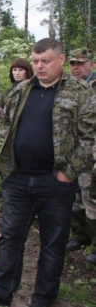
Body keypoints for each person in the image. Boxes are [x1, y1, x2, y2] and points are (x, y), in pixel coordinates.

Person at [0, 38, 96, 307]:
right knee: (10, 237)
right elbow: (4, 119)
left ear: (62, 59)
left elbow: (89, 138)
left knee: (53, 243)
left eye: (46, 61)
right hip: (18, 178)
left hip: (55, 182)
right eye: (36, 61)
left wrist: (68, 173)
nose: (39, 66)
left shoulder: (80, 92)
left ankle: (43, 298)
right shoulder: (20, 90)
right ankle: (2, 290)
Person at [66, 48, 96, 264]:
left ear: (91, 65)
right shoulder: (70, 86)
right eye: (73, 64)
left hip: (92, 148)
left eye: (80, 63)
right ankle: (80, 235)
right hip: (73, 148)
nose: (76, 68)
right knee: (75, 192)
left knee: (90, 195)